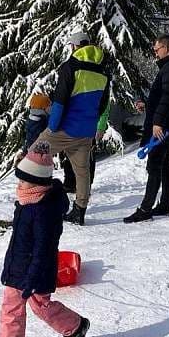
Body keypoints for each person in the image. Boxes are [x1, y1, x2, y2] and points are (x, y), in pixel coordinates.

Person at [0, 140, 90, 337]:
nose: (19, 186)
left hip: (38, 269)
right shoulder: (28, 200)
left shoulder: (44, 211)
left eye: (23, 181)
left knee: (41, 306)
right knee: (11, 303)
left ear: (37, 183)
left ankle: (76, 326)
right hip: (19, 265)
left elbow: (44, 249)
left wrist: (33, 277)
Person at [42, 31, 111, 226]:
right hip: (86, 130)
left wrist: (52, 127)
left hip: (64, 128)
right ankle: (79, 211)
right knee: (82, 172)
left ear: (74, 47)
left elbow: (60, 100)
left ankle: (31, 201)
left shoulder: (70, 66)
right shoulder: (103, 71)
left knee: (34, 156)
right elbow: (103, 104)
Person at [126, 35, 169, 224]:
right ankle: (165, 204)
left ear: (167, 47)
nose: (155, 53)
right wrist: (149, 105)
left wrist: (158, 122)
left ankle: (145, 209)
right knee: (166, 163)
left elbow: (168, 97)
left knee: (155, 164)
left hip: (164, 126)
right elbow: (167, 97)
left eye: (157, 50)